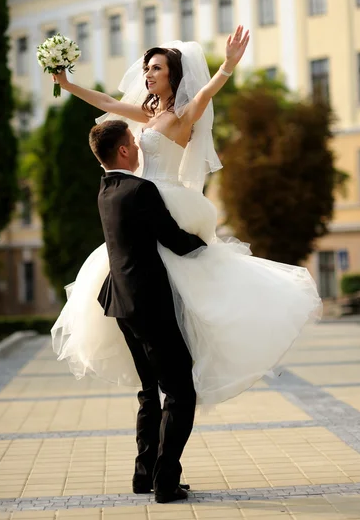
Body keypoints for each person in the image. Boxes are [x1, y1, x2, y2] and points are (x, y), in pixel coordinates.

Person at [52, 25, 322, 407]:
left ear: (172, 75)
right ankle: (155, 367)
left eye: (156, 69)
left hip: (167, 200)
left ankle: (186, 351)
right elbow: (108, 104)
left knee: (182, 280)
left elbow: (209, 92)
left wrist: (227, 65)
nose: (147, 74)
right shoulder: (147, 113)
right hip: (140, 199)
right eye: (146, 68)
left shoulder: (183, 115)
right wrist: (67, 83)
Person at [87, 119, 205, 502]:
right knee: (180, 391)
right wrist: (211, 245)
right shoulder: (140, 190)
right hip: (148, 304)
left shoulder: (107, 189)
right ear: (122, 150)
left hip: (120, 302)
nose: (138, 148)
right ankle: (166, 482)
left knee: (148, 390)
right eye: (132, 144)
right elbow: (174, 239)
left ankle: (144, 475)